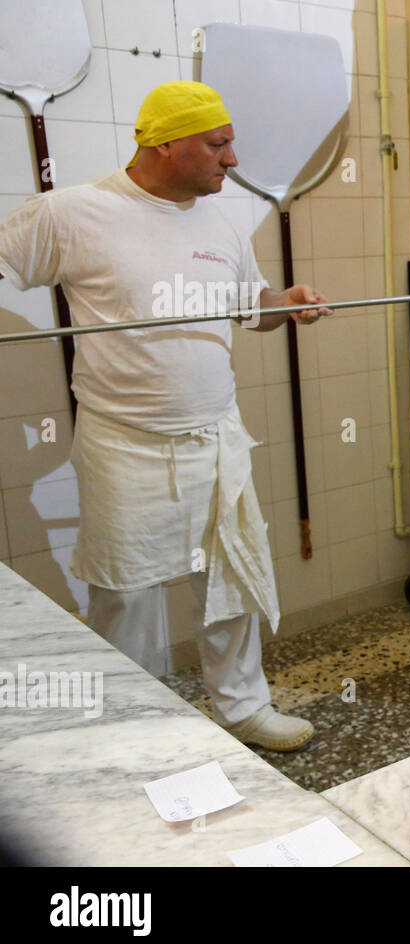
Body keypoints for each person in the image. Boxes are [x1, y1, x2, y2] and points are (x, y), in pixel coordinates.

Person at [0, 81, 330, 751]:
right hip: (124, 443)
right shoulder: (72, 213)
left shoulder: (220, 223)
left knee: (230, 577)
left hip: (215, 434)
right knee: (128, 596)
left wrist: (283, 302)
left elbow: (249, 309)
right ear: (165, 144)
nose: (232, 158)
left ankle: (244, 709)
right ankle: (130, 731)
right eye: (218, 143)